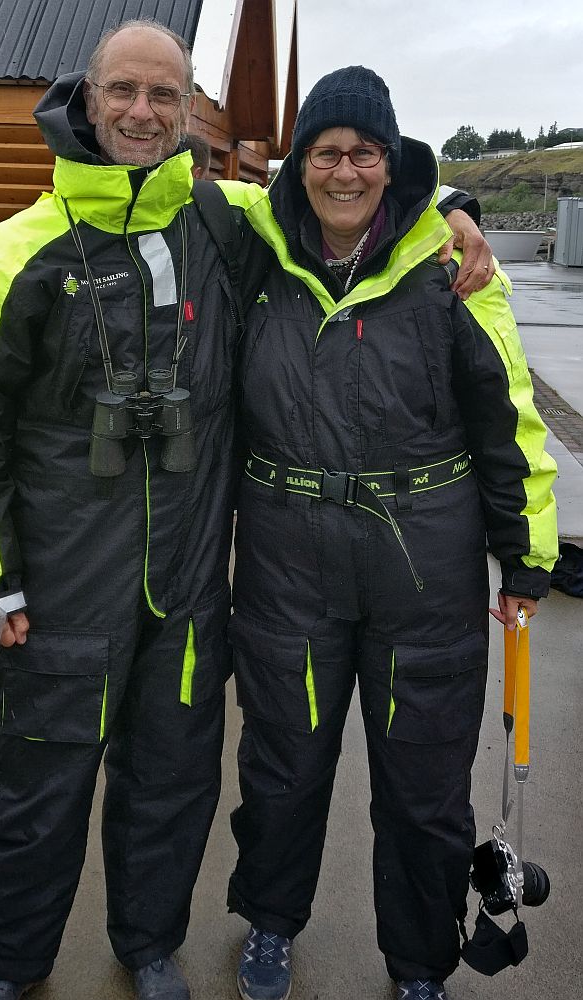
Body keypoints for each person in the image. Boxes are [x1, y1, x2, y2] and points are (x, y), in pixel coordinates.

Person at [0, 17, 491, 1000]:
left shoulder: (225, 220)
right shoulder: (15, 255)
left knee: (171, 785)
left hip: (185, 588)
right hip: (57, 591)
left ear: (187, 112)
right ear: (88, 99)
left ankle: (147, 943)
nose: (142, 113)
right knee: (36, 794)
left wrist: (449, 202)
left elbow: (340, 200)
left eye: (162, 96)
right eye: (123, 93)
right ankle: (9, 967)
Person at [221, 67, 558, 1000]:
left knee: (423, 787)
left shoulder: (450, 264)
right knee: (283, 766)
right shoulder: (254, 240)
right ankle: (270, 921)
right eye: (325, 151)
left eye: (363, 153)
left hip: (426, 563)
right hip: (290, 555)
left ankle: (420, 965)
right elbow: (173, 179)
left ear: (391, 162)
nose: (343, 172)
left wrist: (526, 554)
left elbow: (509, 414)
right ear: (300, 163)